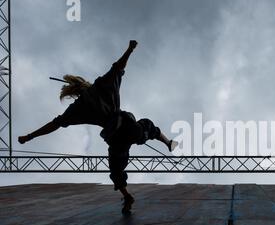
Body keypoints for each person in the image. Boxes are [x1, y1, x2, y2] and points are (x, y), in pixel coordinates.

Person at [18, 40, 178, 214]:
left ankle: (127, 196)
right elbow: (118, 67)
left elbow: (54, 124)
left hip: (116, 139)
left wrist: (30, 136)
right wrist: (130, 50)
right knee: (147, 125)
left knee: (115, 170)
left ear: (74, 93)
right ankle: (168, 142)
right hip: (128, 128)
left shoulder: (77, 108)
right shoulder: (102, 85)